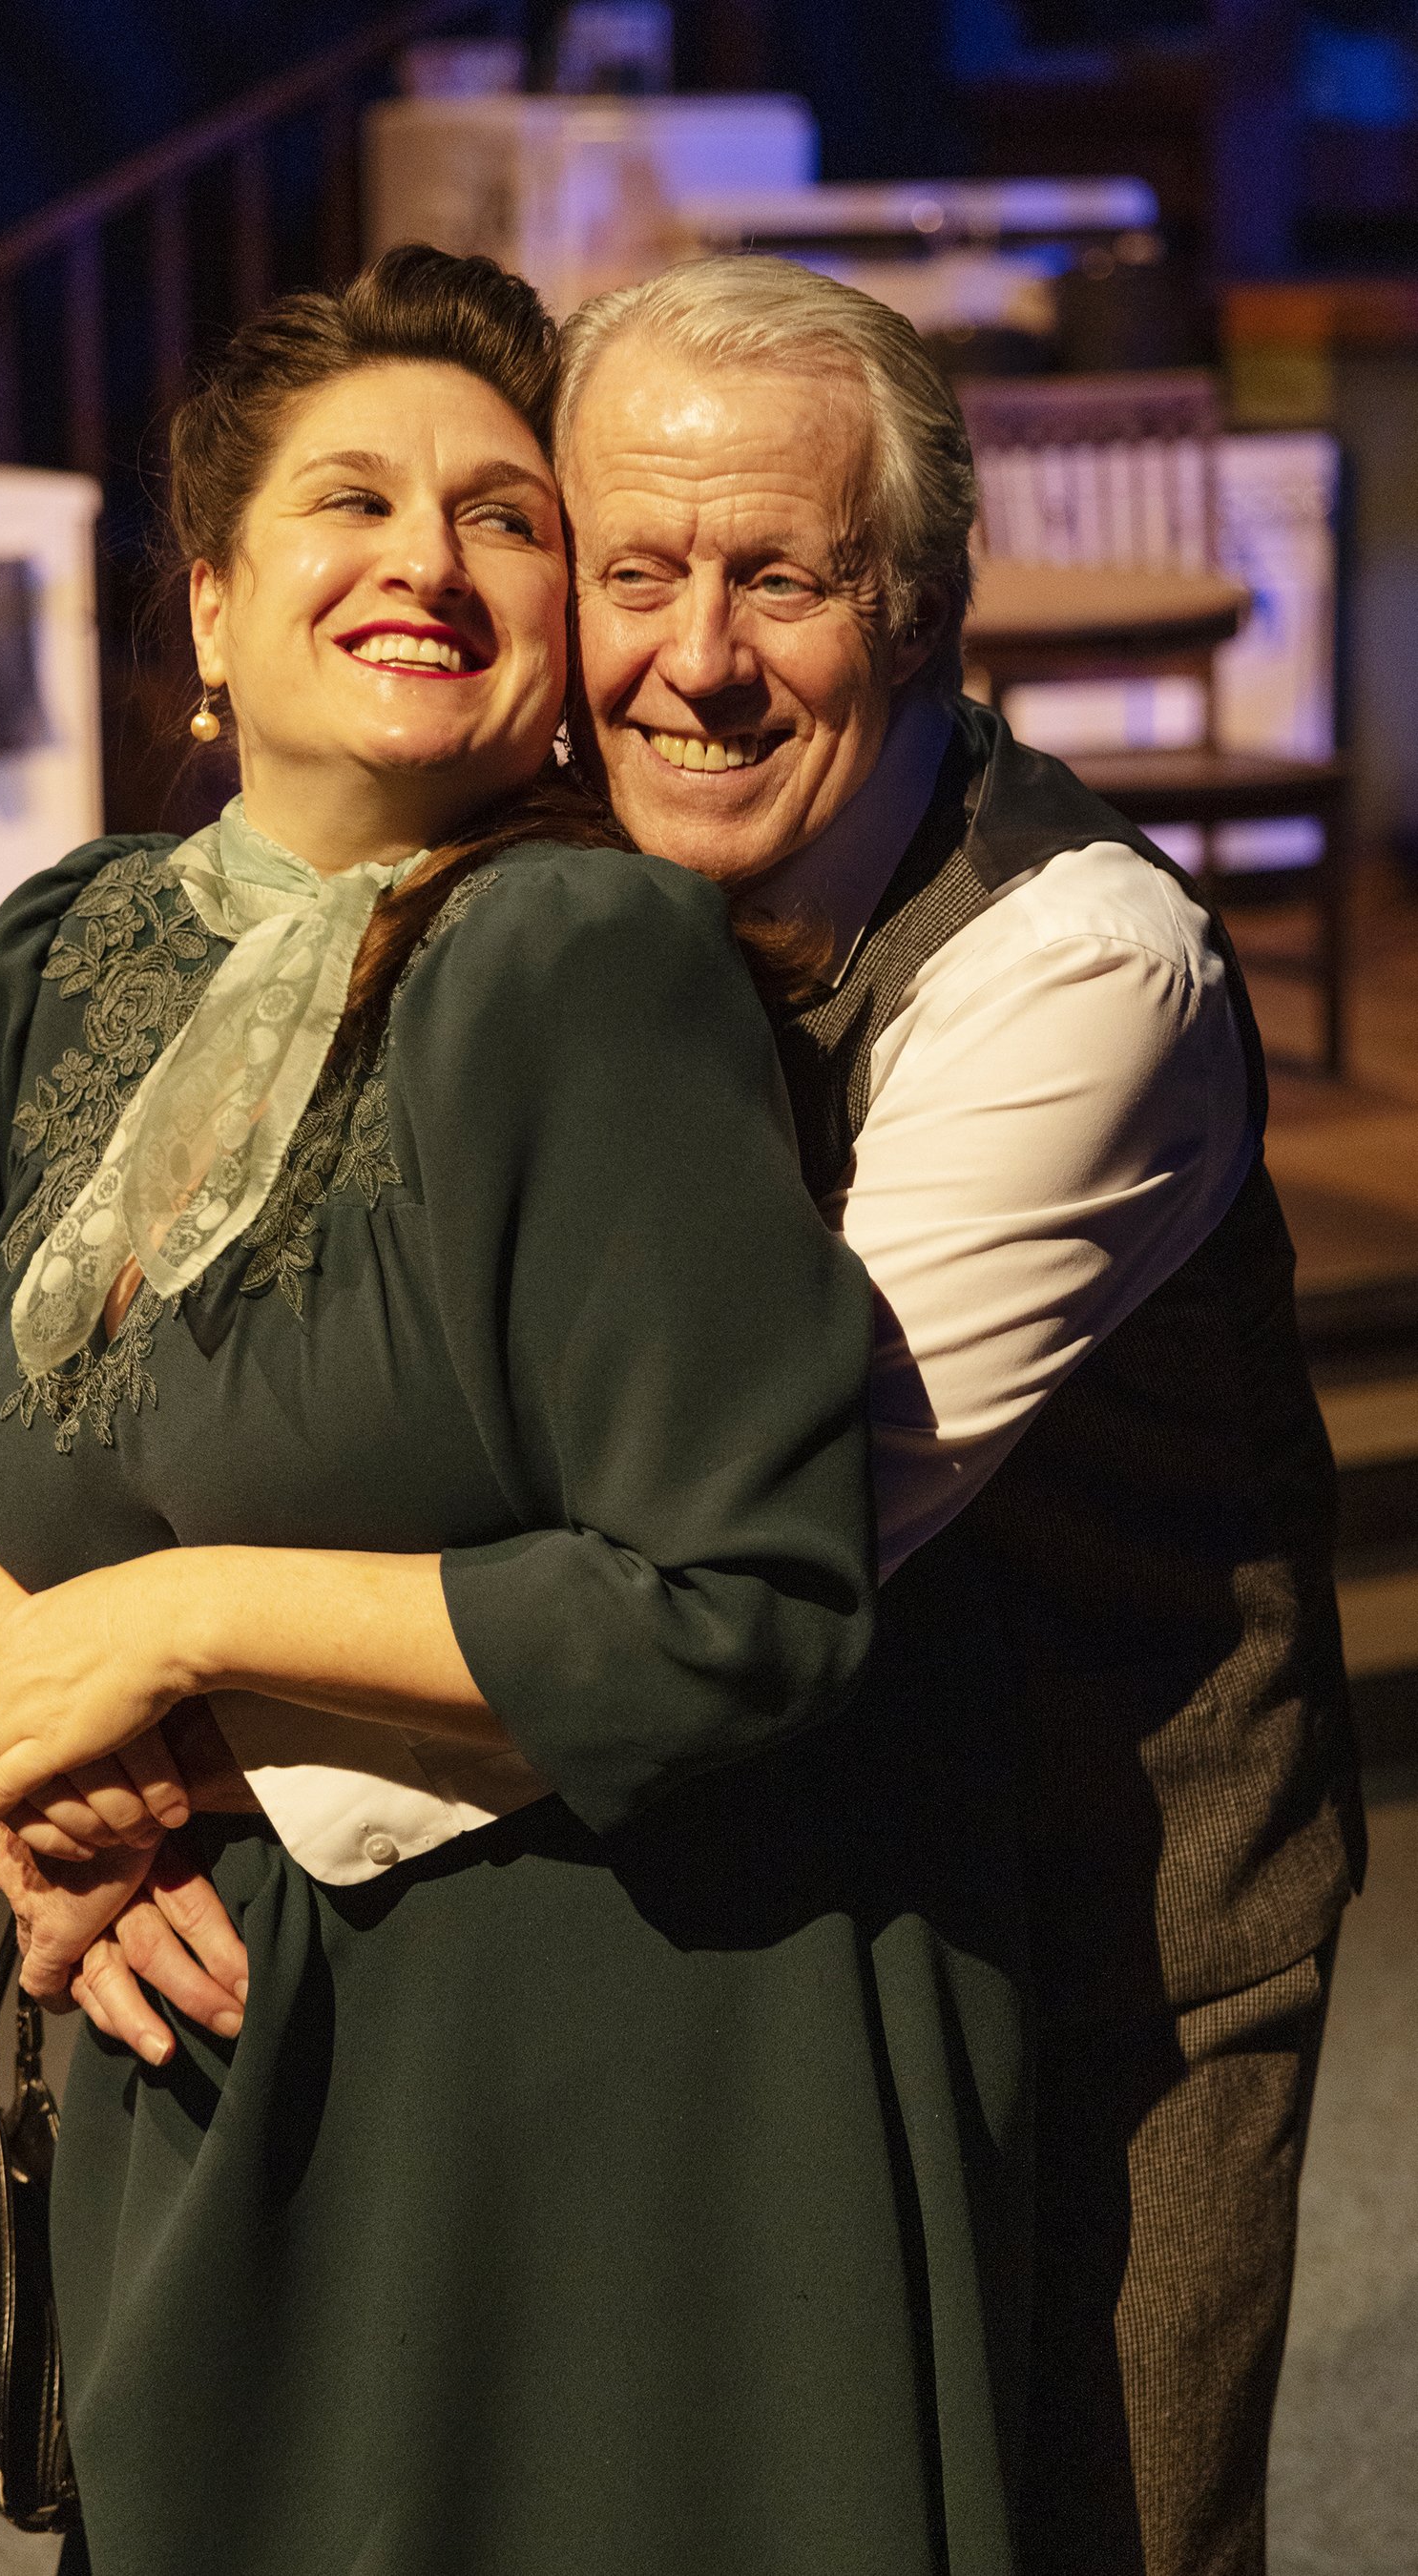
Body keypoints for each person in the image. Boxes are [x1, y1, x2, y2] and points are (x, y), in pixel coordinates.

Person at [0, 246, 1031, 2576]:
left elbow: (743, 1606)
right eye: (351, 502)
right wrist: (44, 1713)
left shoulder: (580, 965)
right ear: (207, 611)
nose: (427, 557)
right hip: (195, 2038)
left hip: (578, 2085)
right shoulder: (70, 947)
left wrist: (172, 1624)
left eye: (504, 517)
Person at [543, 257, 1362, 2576]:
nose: (694, 659)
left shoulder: (1082, 968)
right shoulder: (571, 872)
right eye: (638, 572)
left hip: (1105, 1928)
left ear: (921, 608)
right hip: (788, 1911)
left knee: (1088, 2524)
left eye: (779, 578)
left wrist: (193, 1699)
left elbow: (735, 1550)